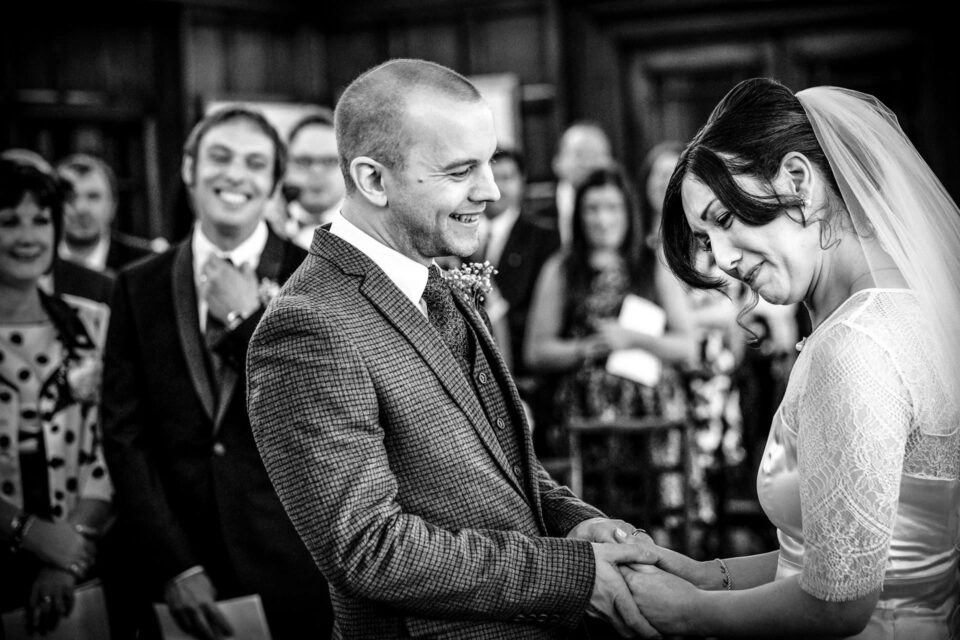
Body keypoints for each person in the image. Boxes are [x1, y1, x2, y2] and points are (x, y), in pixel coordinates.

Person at [246, 58, 660, 640]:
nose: (490, 190)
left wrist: (573, 525)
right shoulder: (310, 325)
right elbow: (369, 548)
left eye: (489, 162)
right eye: (461, 170)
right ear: (372, 180)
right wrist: (570, 575)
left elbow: (498, 463)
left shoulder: (432, 276)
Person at [623, 77, 960, 638]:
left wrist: (686, 611)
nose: (721, 260)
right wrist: (703, 575)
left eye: (724, 220)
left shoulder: (855, 345)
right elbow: (841, 557)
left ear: (799, 180)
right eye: (706, 239)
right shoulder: (916, 309)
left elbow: (839, 604)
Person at [101, 106, 331, 640]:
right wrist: (174, 565)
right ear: (188, 168)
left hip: (292, 559)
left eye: (254, 163)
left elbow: (319, 407)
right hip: (180, 564)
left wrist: (244, 320)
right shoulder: (138, 285)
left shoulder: (316, 277)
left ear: (273, 183)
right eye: (219, 158)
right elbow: (123, 436)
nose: (234, 175)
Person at [524, 166, 696, 545]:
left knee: (658, 524)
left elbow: (687, 346)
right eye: (592, 209)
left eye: (613, 208)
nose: (603, 219)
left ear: (628, 213)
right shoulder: (562, 269)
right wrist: (589, 347)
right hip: (585, 423)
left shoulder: (653, 265)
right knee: (597, 523)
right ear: (579, 215)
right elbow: (536, 351)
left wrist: (633, 339)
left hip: (650, 421)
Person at [0, 158, 113, 636]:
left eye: (41, 221)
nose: (28, 237)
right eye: (9, 222)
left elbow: (112, 444)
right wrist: (29, 534)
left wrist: (68, 549)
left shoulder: (92, 321)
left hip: (83, 557)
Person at [55, 154, 166, 275]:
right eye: (69, 198)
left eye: (93, 196)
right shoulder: (37, 263)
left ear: (113, 204)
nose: (81, 208)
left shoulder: (149, 263)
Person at [539, 122, 614, 246]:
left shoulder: (627, 210)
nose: (589, 163)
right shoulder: (536, 215)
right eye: (579, 154)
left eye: (596, 155)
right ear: (557, 162)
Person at [280, 108, 346, 249]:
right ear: (285, 165)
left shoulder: (370, 231)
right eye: (304, 161)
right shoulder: (263, 223)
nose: (317, 172)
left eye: (330, 161)